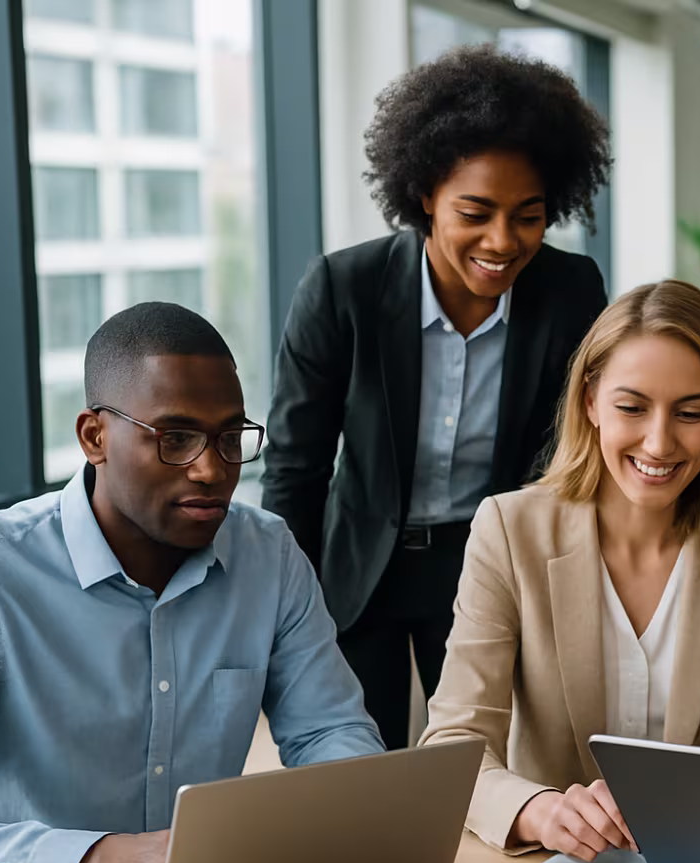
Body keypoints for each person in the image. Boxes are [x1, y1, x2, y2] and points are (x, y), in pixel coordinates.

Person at [0, 303, 383, 863]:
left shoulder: (268, 555)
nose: (212, 470)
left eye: (230, 438)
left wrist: (352, 821)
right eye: (176, 438)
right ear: (94, 438)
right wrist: (94, 859)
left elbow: (332, 733)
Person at [262, 46, 612, 750]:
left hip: (492, 560)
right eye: (475, 212)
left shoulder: (571, 292)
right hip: (363, 569)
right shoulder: (342, 290)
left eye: (528, 216)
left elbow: (570, 458)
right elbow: (295, 470)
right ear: (424, 195)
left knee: (489, 765)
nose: (502, 241)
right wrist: (282, 610)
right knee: (359, 770)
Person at [420, 281, 700, 859]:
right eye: (632, 407)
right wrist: (538, 810)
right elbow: (454, 744)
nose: (659, 442)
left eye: (690, 413)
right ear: (590, 402)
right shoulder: (509, 528)